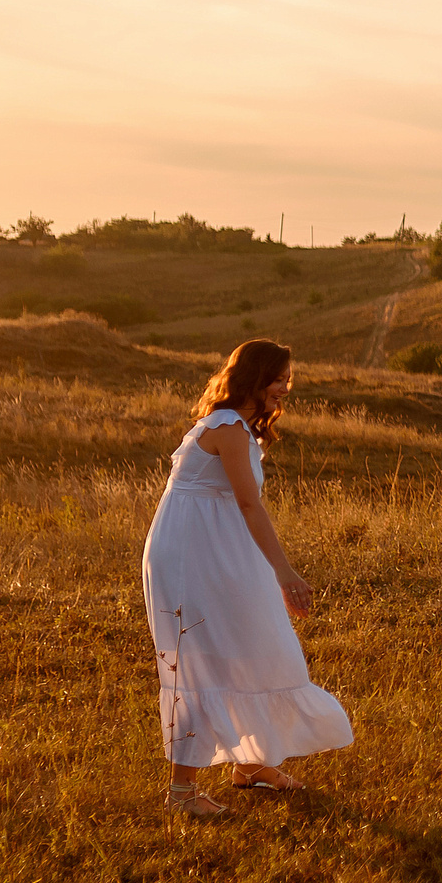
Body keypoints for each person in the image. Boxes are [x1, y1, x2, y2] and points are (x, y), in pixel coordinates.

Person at [144, 339, 354, 817]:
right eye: (279, 380)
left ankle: (252, 764)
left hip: (222, 551)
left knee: (257, 644)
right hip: (191, 557)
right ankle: (181, 792)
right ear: (255, 380)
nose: (285, 389)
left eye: (287, 380)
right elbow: (247, 504)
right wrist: (285, 572)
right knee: (197, 658)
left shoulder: (239, 428)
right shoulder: (227, 428)